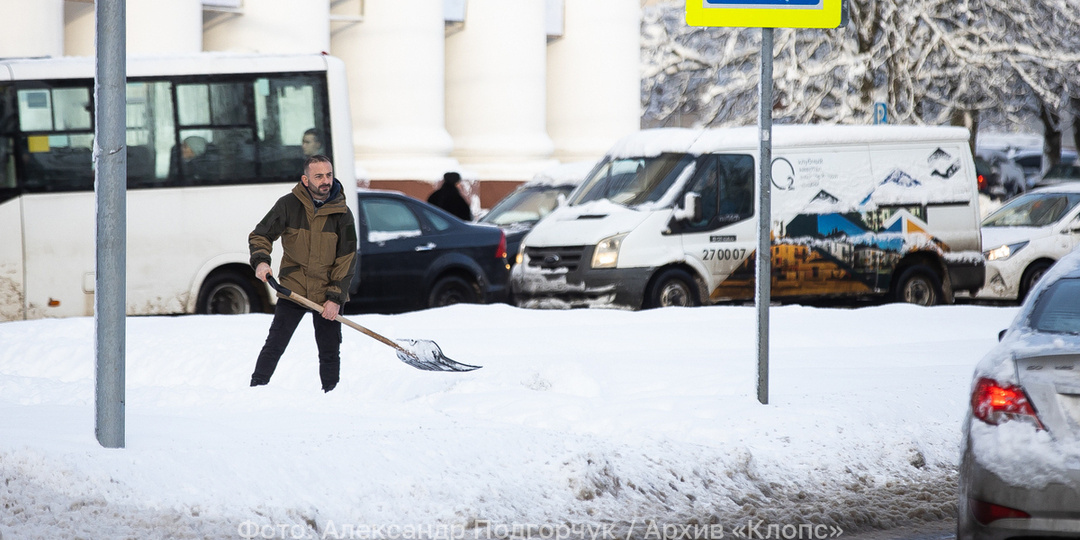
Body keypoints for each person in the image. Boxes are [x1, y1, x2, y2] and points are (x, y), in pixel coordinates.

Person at [248, 154, 358, 393]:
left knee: (329, 351)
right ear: (305, 179)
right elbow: (261, 235)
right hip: (293, 288)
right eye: (319, 176)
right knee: (275, 344)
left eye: (328, 175)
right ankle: (255, 390)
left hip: (328, 293)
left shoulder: (342, 213)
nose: (325, 181)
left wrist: (335, 298)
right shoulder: (288, 205)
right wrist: (261, 262)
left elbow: (347, 258)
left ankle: (331, 394)